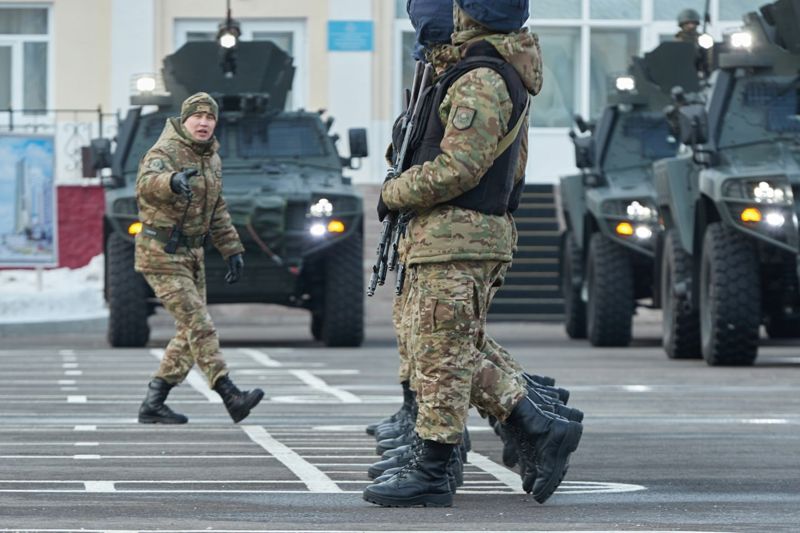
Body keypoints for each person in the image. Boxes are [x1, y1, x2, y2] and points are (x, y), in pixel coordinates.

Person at [363, 0, 582, 508]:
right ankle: (532, 422)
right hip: (448, 235)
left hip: (459, 236)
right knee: (443, 347)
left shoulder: (480, 79)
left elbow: (459, 169)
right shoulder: (472, 72)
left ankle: (445, 464)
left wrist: (394, 191)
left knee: (445, 353)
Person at [134, 92, 264, 425]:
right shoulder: (164, 152)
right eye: (198, 117)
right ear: (185, 119)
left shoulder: (211, 158)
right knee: (199, 326)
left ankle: (154, 401)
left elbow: (216, 209)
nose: (204, 123)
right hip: (160, 253)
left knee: (189, 333)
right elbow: (146, 184)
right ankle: (229, 393)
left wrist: (231, 249)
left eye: (210, 118)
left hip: (192, 255)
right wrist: (171, 182)